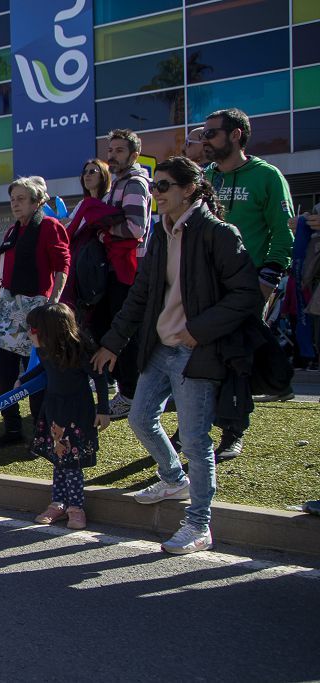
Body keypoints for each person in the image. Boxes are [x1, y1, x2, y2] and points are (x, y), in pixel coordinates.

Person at [92, 156, 261, 554]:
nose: (155, 193)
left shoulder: (217, 233)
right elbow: (140, 295)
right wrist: (113, 341)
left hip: (196, 352)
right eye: (154, 187)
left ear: (190, 189)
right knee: (139, 417)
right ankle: (173, 479)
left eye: (164, 186)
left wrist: (197, 332)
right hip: (160, 348)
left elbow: (246, 294)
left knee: (196, 440)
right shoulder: (162, 233)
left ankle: (200, 524)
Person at [203, 107, 295, 457]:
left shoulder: (267, 176)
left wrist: (268, 280)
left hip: (249, 284)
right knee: (203, 355)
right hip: (208, 285)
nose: (205, 140)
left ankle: (232, 431)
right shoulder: (205, 176)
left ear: (236, 134)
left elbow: (283, 234)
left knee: (236, 358)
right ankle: (195, 425)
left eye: (212, 133)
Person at [0, 176, 70, 447]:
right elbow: (1, 276)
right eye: (12, 199)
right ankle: (11, 429)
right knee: (4, 374)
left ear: (37, 201)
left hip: (36, 312)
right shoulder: (13, 231)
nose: (15, 203)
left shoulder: (49, 226)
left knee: (34, 375)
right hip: (8, 312)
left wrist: (51, 303)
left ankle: (42, 433)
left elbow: (62, 265)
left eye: (21, 199)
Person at [24, 304, 111, 530]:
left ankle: (76, 507)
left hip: (77, 412)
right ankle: (58, 503)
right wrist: (23, 381)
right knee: (58, 458)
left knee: (72, 463)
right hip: (54, 410)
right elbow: (43, 370)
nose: (29, 333)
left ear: (49, 330)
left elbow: (100, 378)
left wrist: (103, 410)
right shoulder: (45, 349)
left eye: (32, 329)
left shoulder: (79, 349)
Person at [97, 129, 152, 420]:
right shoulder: (117, 184)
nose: (112, 156)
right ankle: (127, 390)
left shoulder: (133, 184)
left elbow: (135, 228)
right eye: (110, 150)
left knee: (126, 332)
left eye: (119, 150)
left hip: (129, 270)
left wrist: (105, 232)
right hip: (118, 268)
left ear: (134, 155)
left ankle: (130, 394)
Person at [61, 158, 111, 309]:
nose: (87, 175)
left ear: (103, 175)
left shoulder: (109, 199)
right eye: (84, 172)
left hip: (102, 263)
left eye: (92, 171)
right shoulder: (82, 203)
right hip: (80, 263)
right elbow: (68, 228)